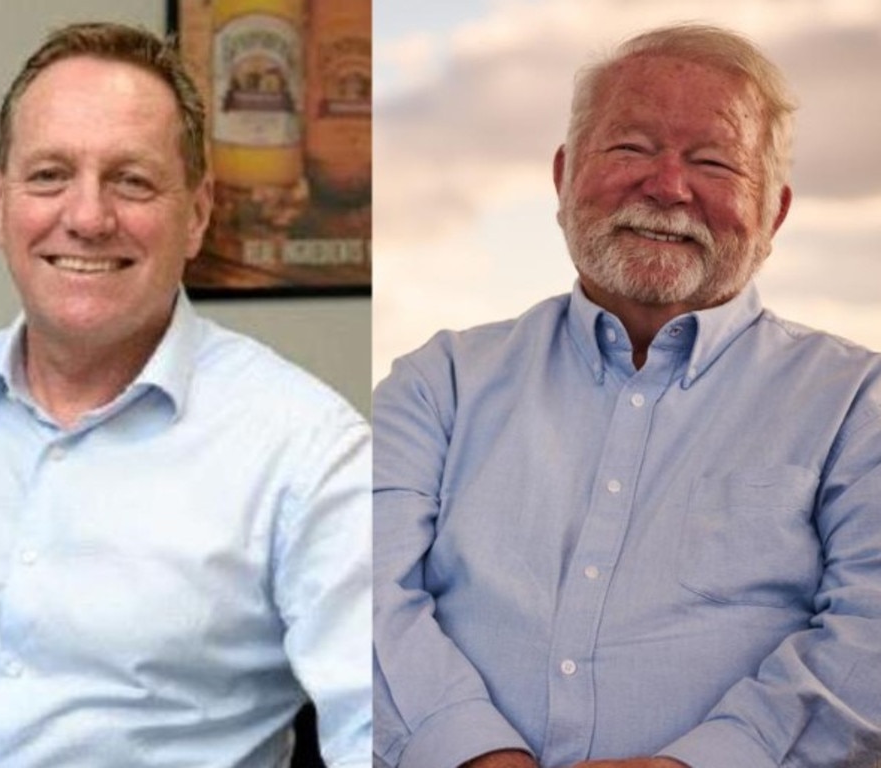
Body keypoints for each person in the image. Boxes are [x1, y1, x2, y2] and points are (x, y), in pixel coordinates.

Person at [0, 22, 370, 768]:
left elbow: (381, 733)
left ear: (196, 214)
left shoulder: (308, 452)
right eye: (49, 175)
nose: (89, 218)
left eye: (131, 179)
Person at [373, 23, 881, 768]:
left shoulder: (857, 404)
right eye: (631, 148)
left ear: (772, 214)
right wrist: (475, 754)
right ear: (562, 177)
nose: (667, 186)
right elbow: (363, 594)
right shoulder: (438, 381)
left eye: (712, 161)